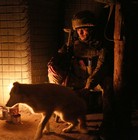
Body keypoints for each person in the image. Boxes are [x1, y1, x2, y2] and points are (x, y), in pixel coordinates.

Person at [48, 10, 115, 139]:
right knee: (54, 70)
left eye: (84, 29)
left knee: (109, 84)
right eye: (78, 30)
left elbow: (101, 68)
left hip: (96, 80)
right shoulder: (72, 46)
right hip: (78, 78)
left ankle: (107, 122)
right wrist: (60, 57)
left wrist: (88, 85)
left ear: (92, 29)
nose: (81, 33)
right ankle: (64, 111)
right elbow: (62, 62)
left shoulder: (101, 46)